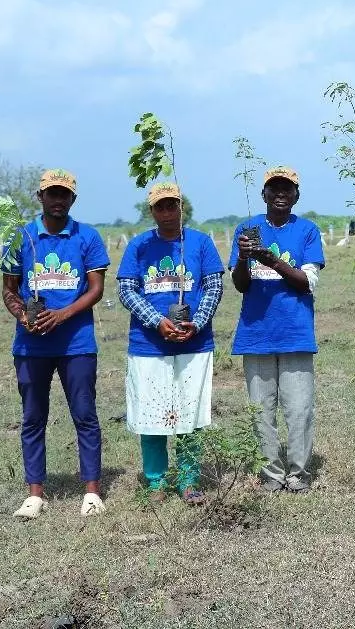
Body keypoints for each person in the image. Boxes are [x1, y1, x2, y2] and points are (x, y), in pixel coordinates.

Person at [1, 169, 110, 519]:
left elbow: (95, 289)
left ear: (73, 199)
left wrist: (62, 315)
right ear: (40, 197)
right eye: (52, 193)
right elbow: (9, 288)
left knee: (85, 415)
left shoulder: (87, 237)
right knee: (33, 416)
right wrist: (22, 314)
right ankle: (35, 494)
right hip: (31, 347)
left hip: (77, 344)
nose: (58, 199)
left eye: (65, 194)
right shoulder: (21, 237)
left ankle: (92, 491)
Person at [117, 183, 225, 505]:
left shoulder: (201, 243)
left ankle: (189, 480)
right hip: (149, 346)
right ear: (151, 211)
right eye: (159, 207)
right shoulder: (138, 246)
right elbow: (127, 290)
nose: (166, 212)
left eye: (172, 205)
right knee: (151, 415)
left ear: (182, 207)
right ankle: (156, 481)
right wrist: (156, 321)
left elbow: (214, 287)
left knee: (189, 415)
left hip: (194, 344)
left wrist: (198, 322)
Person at [230, 166, 326, 493]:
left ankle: (298, 474)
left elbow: (307, 282)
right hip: (256, 333)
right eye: (275, 188)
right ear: (264, 194)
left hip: (295, 332)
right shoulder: (247, 228)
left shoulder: (307, 231)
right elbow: (241, 285)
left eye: (287, 189)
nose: (281, 194)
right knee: (262, 411)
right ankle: (272, 475)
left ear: (297, 195)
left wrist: (271, 261)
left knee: (298, 410)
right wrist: (244, 259)